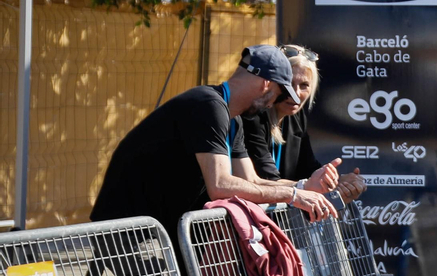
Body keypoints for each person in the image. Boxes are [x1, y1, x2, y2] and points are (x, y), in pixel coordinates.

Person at [91, 46, 336, 241]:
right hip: (126, 225)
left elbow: (252, 181)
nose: (273, 104)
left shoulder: (233, 119)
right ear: (265, 85)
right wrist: (293, 196)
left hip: (155, 226)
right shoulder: (208, 105)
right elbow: (220, 185)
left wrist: (303, 188)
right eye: (279, 94)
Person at [241, 45, 366, 202]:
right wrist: (308, 186)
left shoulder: (296, 117)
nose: (296, 94)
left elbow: (308, 169)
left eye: (304, 85)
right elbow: (267, 179)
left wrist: (338, 182)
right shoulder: (252, 118)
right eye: (288, 83)